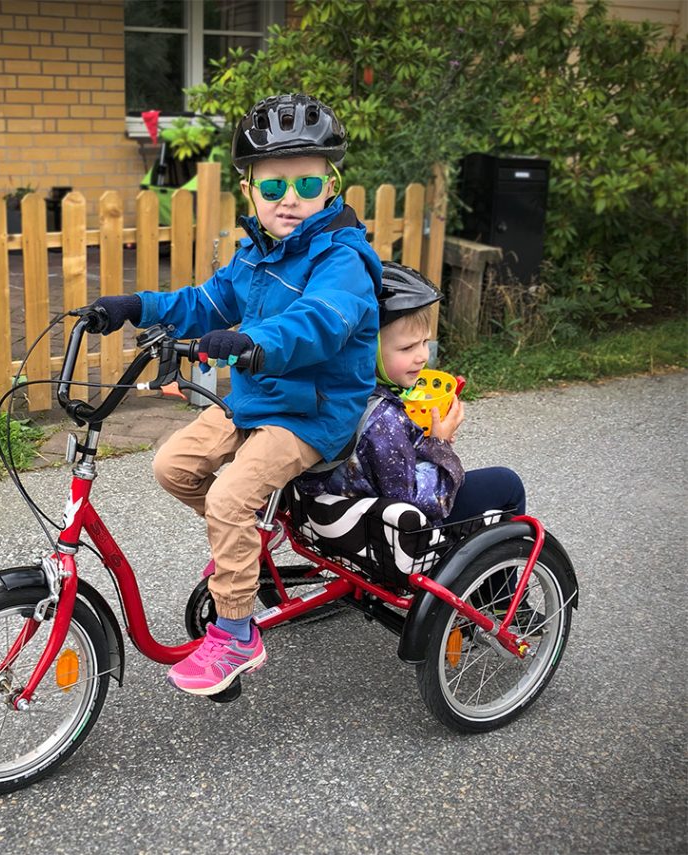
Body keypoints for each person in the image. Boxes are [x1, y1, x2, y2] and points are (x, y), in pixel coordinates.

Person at [82, 93, 382, 696]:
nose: (290, 199)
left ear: (331, 184)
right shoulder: (255, 255)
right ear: (249, 191)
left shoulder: (343, 259)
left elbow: (320, 323)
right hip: (256, 403)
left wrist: (247, 341)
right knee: (172, 466)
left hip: (313, 414)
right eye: (273, 189)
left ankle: (238, 634)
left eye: (306, 184)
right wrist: (134, 306)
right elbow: (204, 304)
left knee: (226, 499)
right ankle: (247, 541)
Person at [297, 262, 526, 526]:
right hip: (396, 533)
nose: (423, 357)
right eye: (407, 348)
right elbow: (420, 499)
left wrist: (423, 439)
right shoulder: (382, 420)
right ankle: (506, 561)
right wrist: (439, 445)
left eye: (425, 342)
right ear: (363, 348)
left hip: (344, 514)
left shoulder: (329, 390)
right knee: (507, 483)